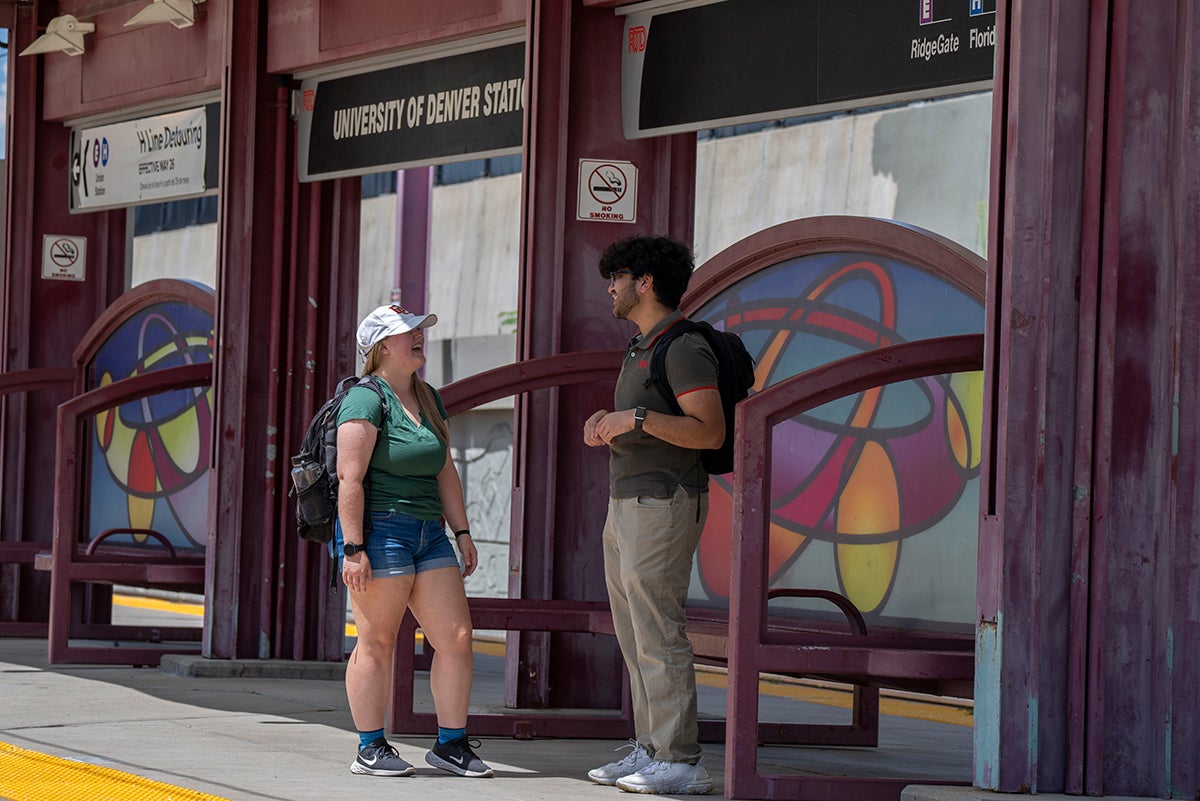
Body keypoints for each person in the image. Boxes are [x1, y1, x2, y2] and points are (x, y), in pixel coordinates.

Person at [582, 235, 722, 795]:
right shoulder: (641, 346)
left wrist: (635, 417)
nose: (609, 289)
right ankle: (651, 749)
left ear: (644, 282)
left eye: (615, 277)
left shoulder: (682, 346)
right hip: (627, 504)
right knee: (634, 632)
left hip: (664, 502)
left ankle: (681, 761)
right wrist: (612, 420)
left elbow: (709, 431)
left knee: (658, 632)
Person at [335, 303, 492, 779]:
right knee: (377, 640)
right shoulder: (365, 400)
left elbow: (445, 469)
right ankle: (370, 747)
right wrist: (354, 548)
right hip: (381, 532)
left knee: (457, 639)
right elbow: (349, 480)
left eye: (421, 331)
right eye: (410, 333)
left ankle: (451, 745)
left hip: (430, 533)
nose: (420, 338)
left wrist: (462, 531)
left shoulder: (428, 397)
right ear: (384, 346)